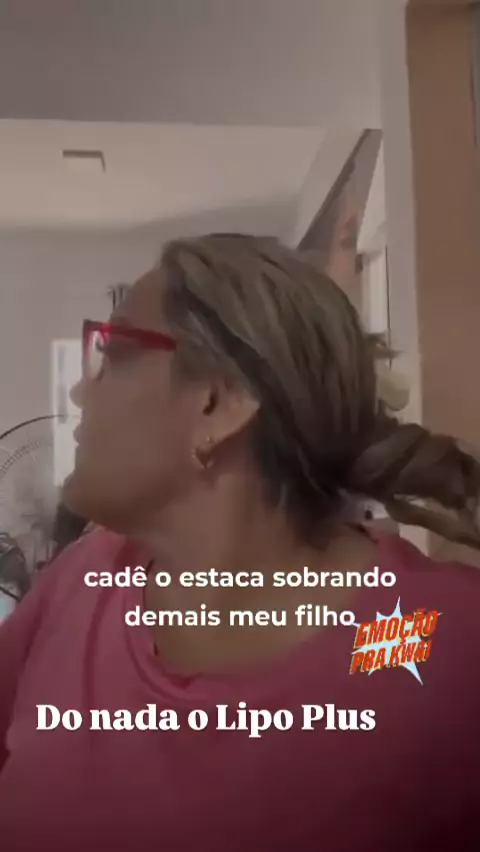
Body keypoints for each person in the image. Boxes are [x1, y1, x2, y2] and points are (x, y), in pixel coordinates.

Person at [0, 233, 478, 851]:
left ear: (218, 403)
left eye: (114, 353)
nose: (78, 392)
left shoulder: (440, 640)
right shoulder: (80, 581)